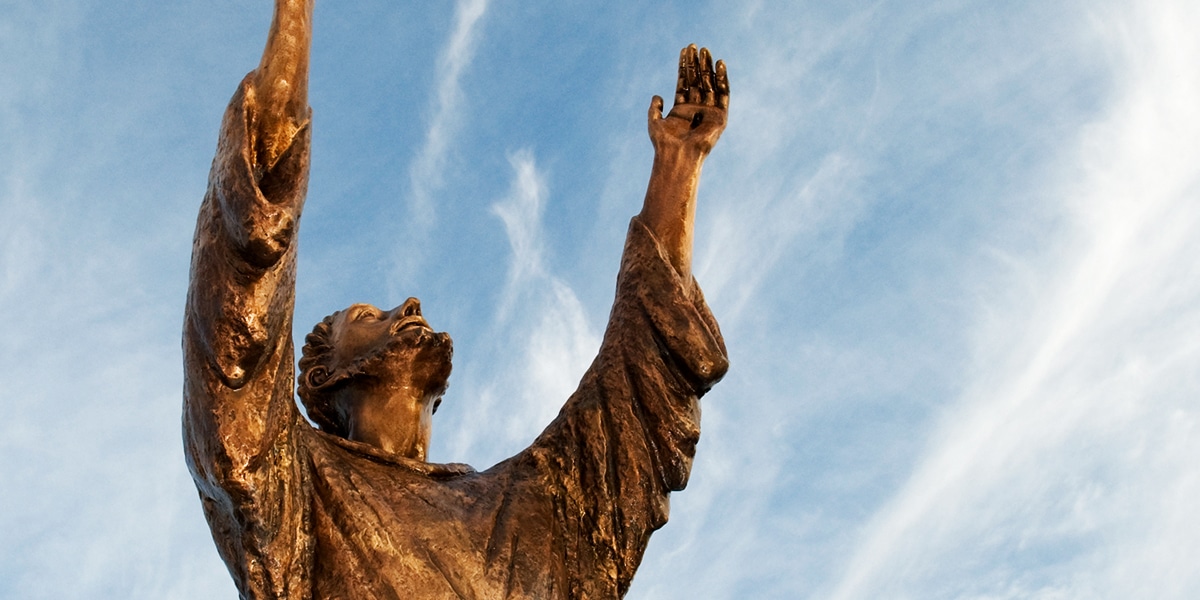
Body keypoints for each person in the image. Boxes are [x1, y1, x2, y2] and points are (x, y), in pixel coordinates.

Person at [182, 1, 730, 597]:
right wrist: (295, 14)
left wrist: (677, 167)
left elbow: (635, 393)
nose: (408, 306)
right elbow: (240, 328)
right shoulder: (301, 489)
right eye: (369, 317)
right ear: (320, 375)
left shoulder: (534, 504)